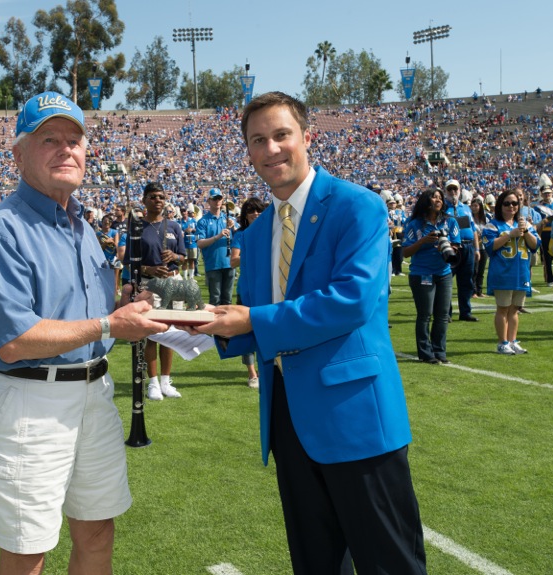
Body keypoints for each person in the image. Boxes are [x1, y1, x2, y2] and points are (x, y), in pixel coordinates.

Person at [194, 92, 427, 574]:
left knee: (390, 564)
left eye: (281, 135)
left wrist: (253, 321)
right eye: (259, 140)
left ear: (306, 137)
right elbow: (254, 318)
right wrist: (194, 327)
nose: (272, 148)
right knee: (315, 563)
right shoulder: (256, 233)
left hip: (355, 415)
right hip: (286, 415)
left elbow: (352, 300)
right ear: (249, 152)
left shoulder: (358, 205)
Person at [0, 91, 166, 575]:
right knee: (27, 548)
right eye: (48, 138)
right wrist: (110, 324)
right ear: (18, 154)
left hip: (94, 392)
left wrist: (126, 313)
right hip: (29, 400)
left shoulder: (81, 226)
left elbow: (89, 318)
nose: (65, 149)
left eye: (74, 140)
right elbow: (16, 340)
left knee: (97, 531)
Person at [126, 182, 187, 401]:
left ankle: (165, 381)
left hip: (173, 282)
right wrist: (148, 268)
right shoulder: (136, 227)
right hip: (150, 284)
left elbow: (184, 256)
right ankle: (152, 382)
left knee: (170, 334)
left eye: (161, 196)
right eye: (152, 197)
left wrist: (175, 257)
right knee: (152, 334)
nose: (157, 200)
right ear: (144, 200)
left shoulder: (174, 226)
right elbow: (128, 262)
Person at [402, 189, 461, 364]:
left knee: (442, 315)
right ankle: (426, 353)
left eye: (440, 198)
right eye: (434, 197)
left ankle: (439, 351)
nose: (438, 200)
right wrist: (423, 241)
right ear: (425, 201)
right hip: (422, 273)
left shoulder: (450, 222)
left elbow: (457, 246)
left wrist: (447, 247)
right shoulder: (414, 224)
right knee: (425, 314)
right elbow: (405, 252)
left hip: (444, 272)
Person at [482, 190, 541, 355]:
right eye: (507, 203)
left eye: (514, 203)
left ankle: (513, 340)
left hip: (521, 272)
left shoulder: (525, 224)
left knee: (515, 309)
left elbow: (535, 245)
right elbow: (490, 247)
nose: (511, 206)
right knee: (503, 308)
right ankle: (502, 342)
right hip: (503, 272)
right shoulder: (492, 225)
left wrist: (526, 231)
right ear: (500, 205)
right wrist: (510, 235)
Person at [230, 196, 266, 389]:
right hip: (246, 288)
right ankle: (252, 373)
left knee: (266, 327)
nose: (255, 214)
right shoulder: (240, 234)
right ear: (245, 215)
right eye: (251, 211)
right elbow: (233, 261)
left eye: (258, 210)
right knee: (246, 331)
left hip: (267, 288)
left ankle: (265, 369)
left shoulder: (271, 232)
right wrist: (251, 254)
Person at [444, 179, 479, 321]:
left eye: (455, 189)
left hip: (468, 246)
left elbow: (473, 229)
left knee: (466, 281)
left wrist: (477, 248)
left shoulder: (465, 208)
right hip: (452, 246)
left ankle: (465, 311)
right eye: (450, 189)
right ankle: (446, 312)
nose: (453, 192)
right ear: (445, 191)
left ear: (459, 190)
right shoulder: (443, 208)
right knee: (446, 280)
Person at [196, 188, 235, 305]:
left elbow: (240, 237)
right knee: (215, 300)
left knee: (227, 300)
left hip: (229, 263)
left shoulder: (228, 219)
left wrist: (234, 228)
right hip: (213, 265)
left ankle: (227, 323)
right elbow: (200, 243)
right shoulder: (202, 221)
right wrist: (218, 236)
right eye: (214, 199)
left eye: (219, 198)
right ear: (209, 201)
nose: (217, 201)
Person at [470, 196, 490, 297]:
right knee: (474, 269)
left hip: (483, 246)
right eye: (472, 206)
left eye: (476, 206)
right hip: (474, 247)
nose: (474, 208)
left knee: (481, 270)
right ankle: (473, 291)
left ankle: (479, 290)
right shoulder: (470, 218)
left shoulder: (485, 218)